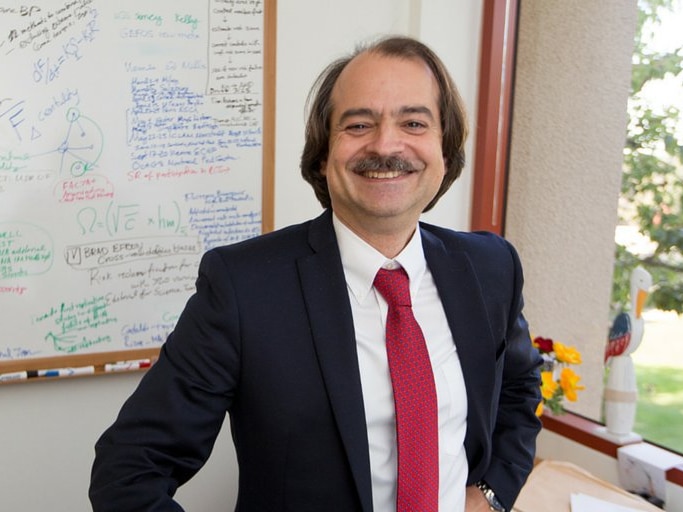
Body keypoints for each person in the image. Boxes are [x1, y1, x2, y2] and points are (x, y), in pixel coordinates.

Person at [89, 35, 542, 512]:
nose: (386, 144)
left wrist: (489, 496)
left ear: (444, 149)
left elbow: (519, 390)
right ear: (324, 154)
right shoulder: (243, 287)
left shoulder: (492, 268)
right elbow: (129, 472)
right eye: (359, 123)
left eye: (413, 122)